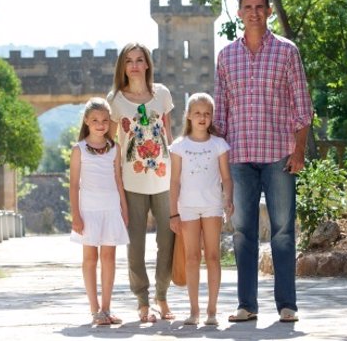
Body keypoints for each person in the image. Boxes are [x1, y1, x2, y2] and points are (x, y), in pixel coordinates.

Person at [214, 0, 313, 323]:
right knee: (243, 232)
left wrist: (298, 150)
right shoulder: (226, 56)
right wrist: (220, 162)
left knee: (283, 230)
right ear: (239, 13)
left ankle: (288, 305)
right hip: (240, 156)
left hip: (278, 155)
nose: (253, 12)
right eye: (247, 7)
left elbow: (303, 106)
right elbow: (220, 114)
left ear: (268, 11)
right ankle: (247, 305)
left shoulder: (287, 52)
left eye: (259, 6)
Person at [107, 42, 175, 323]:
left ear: (147, 64)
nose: (134, 65)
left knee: (167, 239)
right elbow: (114, 148)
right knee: (135, 244)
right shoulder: (115, 100)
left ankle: (162, 296)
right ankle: (143, 301)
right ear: (123, 67)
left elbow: (170, 139)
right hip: (131, 182)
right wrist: (117, 189)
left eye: (139, 60)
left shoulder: (162, 94)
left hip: (165, 179)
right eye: (129, 61)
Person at [169, 92, 234, 326]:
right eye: (197, 113)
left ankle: (212, 311)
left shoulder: (219, 145)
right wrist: (173, 212)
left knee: (214, 257)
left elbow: (227, 178)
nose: (202, 117)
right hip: (187, 208)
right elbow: (174, 181)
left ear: (212, 117)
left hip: (212, 207)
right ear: (188, 115)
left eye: (207, 113)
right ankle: (194, 310)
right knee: (192, 258)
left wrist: (228, 200)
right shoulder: (179, 146)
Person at [69, 97, 129, 326]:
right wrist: (76, 214)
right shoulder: (79, 149)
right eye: (95, 119)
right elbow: (74, 184)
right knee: (90, 259)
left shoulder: (115, 149)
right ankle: (94, 310)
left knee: (109, 257)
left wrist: (124, 209)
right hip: (88, 210)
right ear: (86, 121)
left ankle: (106, 308)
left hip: (111, 208)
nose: (100, 124)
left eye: (105, 119)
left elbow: (118, 179)